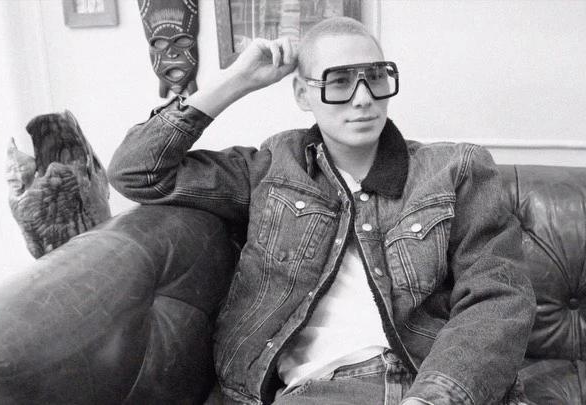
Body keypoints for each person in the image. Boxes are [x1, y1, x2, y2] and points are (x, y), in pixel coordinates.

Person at [109, 17, 536, 405]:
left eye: (375, 77)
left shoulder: (455, 169)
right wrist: (235, 81)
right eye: (339, 81)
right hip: (318, 391)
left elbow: (498, 296)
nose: (363, 98)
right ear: (302, 93)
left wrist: (435, 396)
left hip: (431, 382)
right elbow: (137, 172)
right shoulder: (272, 168)